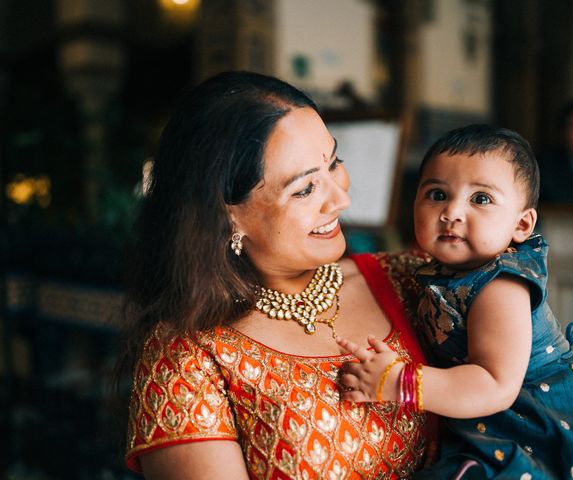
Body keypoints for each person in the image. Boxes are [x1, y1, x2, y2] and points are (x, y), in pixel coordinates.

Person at [120, 70, 439, 479]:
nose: (341, 198)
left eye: (334, 163)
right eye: (304, 189)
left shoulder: (408, 280)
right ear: (226, 215)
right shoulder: (188, 355)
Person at [337, 125, 573, 479]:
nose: (452, 212)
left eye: (481, 199)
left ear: (521, 224)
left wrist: (401, 381)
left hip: (537, 435)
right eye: (437, 194)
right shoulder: (436, 270)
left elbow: (494, 384)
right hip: (487, 426)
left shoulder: (501, 286)